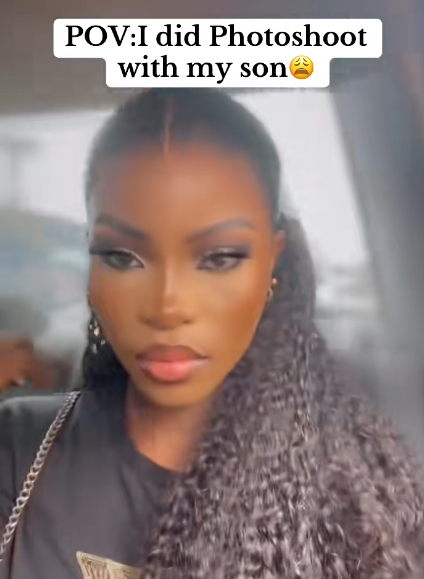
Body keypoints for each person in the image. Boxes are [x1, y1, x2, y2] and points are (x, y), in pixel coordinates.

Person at [0, 88, 423, 579]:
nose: (167, 307)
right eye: (121, 257)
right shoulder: (18, 448)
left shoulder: (362, 494)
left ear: (272, 265)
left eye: (219, 258)